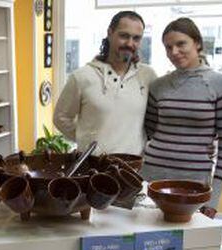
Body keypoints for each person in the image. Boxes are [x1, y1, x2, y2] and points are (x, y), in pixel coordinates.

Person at [142, 18, 222, 217]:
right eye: (168, 47)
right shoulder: (158, 85)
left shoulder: (221, 84)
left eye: (180, 44)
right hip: (151, 177)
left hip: (194, 183)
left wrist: (215, 196)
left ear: (198, 43)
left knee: (190, 245)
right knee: (148, 241)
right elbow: (149, 130)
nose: (174, 52)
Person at [53, 11, 157, 155]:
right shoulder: (81, 77)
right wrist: (87, 139)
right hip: (92, 169)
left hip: (134, 169)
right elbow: (61, 118)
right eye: (124, 36)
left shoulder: (148, 76)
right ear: (110, 33)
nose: (130, 43)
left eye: (136, 38)